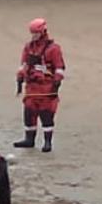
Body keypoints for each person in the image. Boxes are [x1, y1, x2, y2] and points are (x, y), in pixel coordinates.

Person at [15, 19, 66, 151]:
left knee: (47, 115)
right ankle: (29, 139)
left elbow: (59, 67)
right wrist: (20, 78)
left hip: (46, 88)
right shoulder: (28, 47)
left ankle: (47, 142)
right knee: (29, 113)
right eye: (32, 33)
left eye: (36, 33)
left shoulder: (53, 49)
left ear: (43, 31)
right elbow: (23, 64)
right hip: (31, 87)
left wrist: (57, 82)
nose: (34, 36)